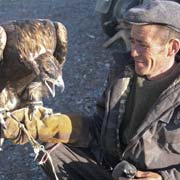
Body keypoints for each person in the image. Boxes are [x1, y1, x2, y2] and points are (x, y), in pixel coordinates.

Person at [2, 0, 180, 180]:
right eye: (132, 41)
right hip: (112, 167)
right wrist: (44, 126)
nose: (133, 52)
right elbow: (99, 129)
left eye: (142, 44)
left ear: (172, 48)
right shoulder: (123, 75)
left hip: (145, 176)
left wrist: (163, 178)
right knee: (52, 149)